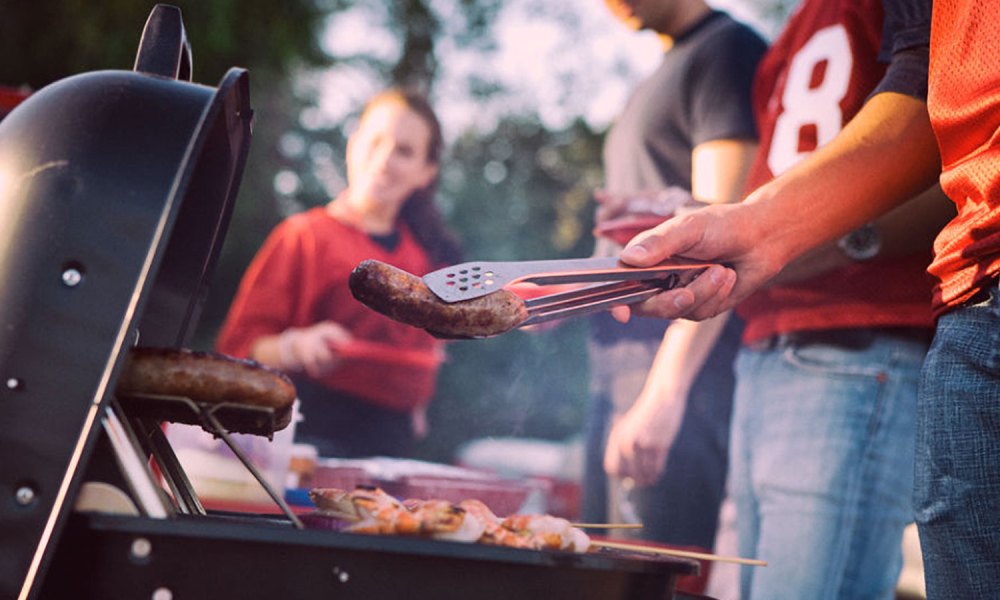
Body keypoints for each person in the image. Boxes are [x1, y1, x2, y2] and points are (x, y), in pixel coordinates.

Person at [614, 1, 1000, 597]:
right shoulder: (785, 40)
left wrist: (841, 241)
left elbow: (951, 143)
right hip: (767, 340)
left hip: (857, 341)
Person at [582, 0, 765, 554]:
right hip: (618, 367)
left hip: (677, 370)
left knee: (648, 575)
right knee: (594, 571)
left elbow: (724, 237)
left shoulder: (726, 52)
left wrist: (663, 395)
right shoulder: (662, 69)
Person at [216, 88, 462, 459]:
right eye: (375, 141)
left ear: (426, 173)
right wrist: (296, 345)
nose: (385, 159)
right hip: (301, 438)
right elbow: (235, 350)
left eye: (405, 151)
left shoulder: (426, 258)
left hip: (391, 449)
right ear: (353, 145)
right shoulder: (303, 237)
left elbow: (429, 352)